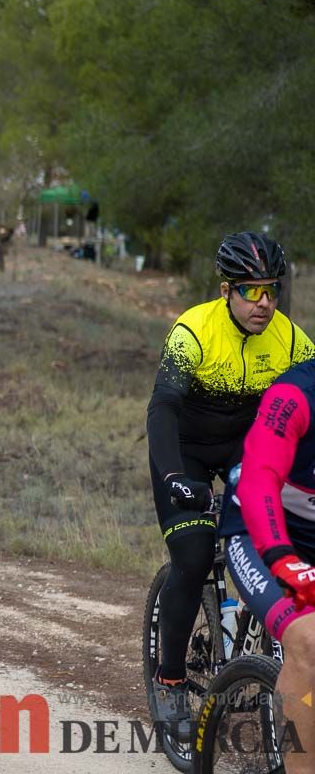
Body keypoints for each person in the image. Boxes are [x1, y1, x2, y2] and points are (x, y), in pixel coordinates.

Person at [145, 232, 313, 739]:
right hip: (188, 451)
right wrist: (175, 476)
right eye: (250, 291)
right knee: (193, 559)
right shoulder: (192, 331)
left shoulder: (291, 340)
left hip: (248, 453)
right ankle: (172, 679)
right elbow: (163, 408)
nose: (263, 303)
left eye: (271, 290)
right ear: (226, 291)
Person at [222, 359, 315, 774]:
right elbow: (259, 477)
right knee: (310, 641)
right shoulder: (294, 395)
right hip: (260, 529)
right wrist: (282, 558)